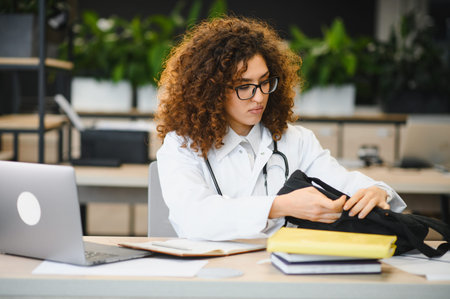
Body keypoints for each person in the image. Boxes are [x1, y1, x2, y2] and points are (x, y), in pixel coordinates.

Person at [155, 16, 406, 241]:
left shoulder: (296, 140)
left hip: (280, 271)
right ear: (211, 91)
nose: (259, 97)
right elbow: (193, 218)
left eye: (265, 82)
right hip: (213, 275)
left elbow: (344, 183)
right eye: (244, 86)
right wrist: (280, 206)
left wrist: (377, 191)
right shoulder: (181, 146)